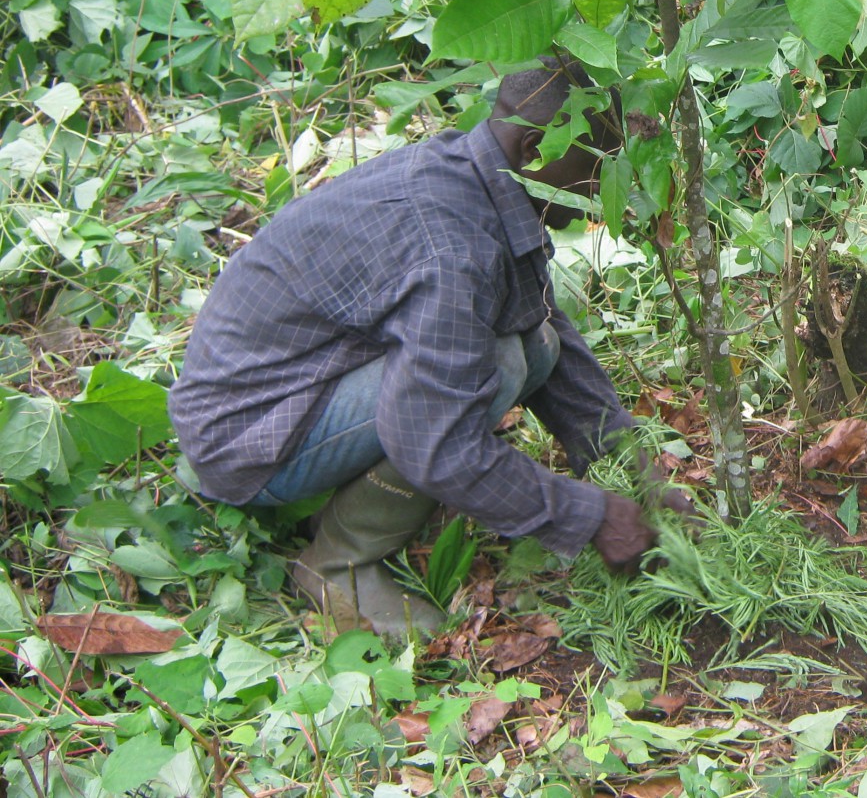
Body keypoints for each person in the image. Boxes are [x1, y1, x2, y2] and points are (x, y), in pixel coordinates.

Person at [171, 59, 682, 638]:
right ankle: (339, 565)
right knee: (492, 366)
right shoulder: (452, 247)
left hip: (304, 382)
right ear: (537, 148)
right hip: (247, 433)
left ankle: (362, 503)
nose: (602, 186)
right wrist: (591, 516)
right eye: (596, 165)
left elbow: (544, 322)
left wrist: (634, 472)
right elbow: (433, 441)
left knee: (533, 343)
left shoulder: (475, 178)